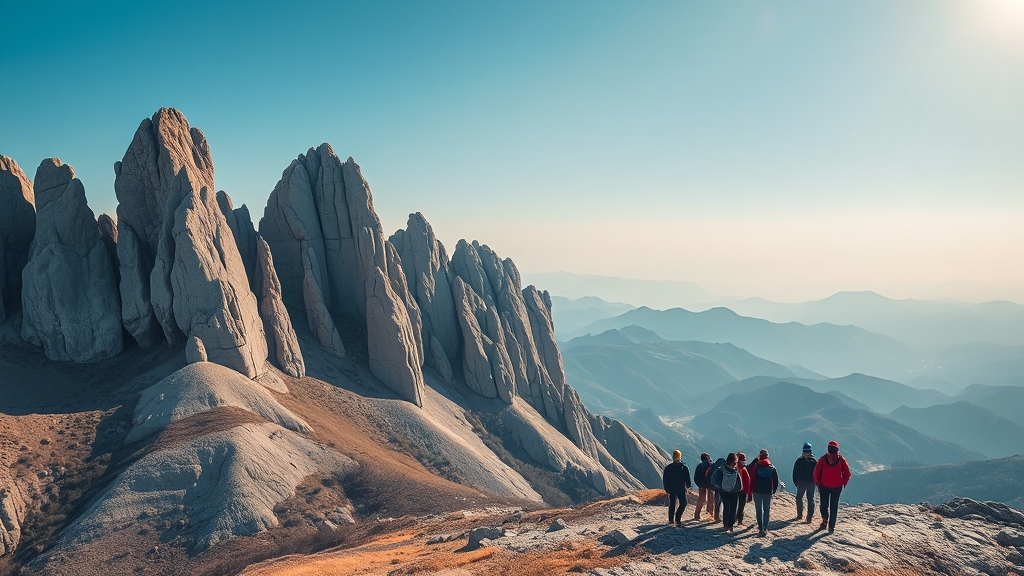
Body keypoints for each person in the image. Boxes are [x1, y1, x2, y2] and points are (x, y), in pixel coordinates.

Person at [813, 439, 851, 534]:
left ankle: (825, 520)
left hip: (824, 486)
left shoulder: (823, 459)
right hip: (837, 487)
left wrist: (818, 483)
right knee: (834, 507)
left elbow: (816, 473)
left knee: (823, 505)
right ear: (837, 450)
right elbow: (848, 474)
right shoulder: (841, 460)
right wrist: (843, 483)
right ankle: (831, 527)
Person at [709, 453, 746, 533]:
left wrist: (720, 486)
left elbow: (713, 480)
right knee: (733, 508)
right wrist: (737, 490)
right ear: (734, 462)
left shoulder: (720, 469)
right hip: (734, 492)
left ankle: (725, 525)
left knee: (726, 507)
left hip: (723, 491)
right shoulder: (736, 472)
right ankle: (730, 526)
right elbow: (740, 485)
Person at [746, 449, 779, 537]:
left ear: (759, 456)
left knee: (758, 509)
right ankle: (765, 528)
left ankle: (760, 528)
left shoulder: (756, 466)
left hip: (757, 491)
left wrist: (749, 492)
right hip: (768, 491)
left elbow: (751, 479)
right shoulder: (772, 467)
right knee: (766, 509)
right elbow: (775, 481)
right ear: (767, 456)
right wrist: (773, 490)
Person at [662, 450, 692, 525]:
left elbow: (665, 480)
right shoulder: (684, 467)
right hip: (681, 489)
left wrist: (666, 489)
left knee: (672, 504)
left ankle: (671, 520)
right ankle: (677, 519)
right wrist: (688, 486)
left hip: (672, 489)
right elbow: (687, 478)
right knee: (683, 503)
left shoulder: (668, 468)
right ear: (680, 456)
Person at [793, 442, 818, 523]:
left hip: (801, 482)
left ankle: (799, 515)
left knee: (799, 498)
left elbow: (795, 472)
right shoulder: (814, 462)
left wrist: (796, 482)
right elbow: (818, 473)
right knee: (810, 499)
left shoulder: (799, 460)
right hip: (811, 482)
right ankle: (809, 517)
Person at [692, 453, 715, 521]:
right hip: (710, 485)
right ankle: (710, 514)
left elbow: (695, 477)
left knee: (701, 499)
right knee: (711, 499)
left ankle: (697, 515)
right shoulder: (712, 465)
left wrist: (700, 485)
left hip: (702, 485)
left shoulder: (700, 466)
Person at [736, 452, 750, 525]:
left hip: (734, 490)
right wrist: (748, 492)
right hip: (743, 490)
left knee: (734, 506)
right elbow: (747, 480)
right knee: (741, 506)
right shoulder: (743, 468)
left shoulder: (733, 467)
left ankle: (732, 520)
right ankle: (739, 521)